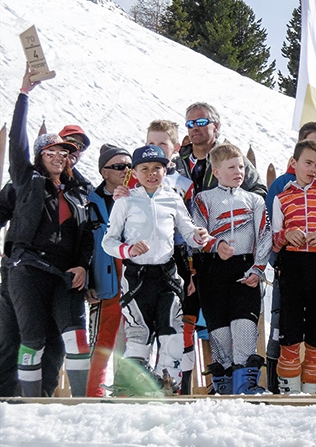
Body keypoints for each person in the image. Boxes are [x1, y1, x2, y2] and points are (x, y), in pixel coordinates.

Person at [6, 66, 93, 397]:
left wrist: (84, 264)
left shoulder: (77, 191)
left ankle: (83, 402)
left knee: (75, 333)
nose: (58, 156)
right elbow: (16, 142)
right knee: (33, 338)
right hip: (28, 268)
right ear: (40, 156)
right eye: (50, 151)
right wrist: (24, 93)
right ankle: (31, 408)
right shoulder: (28, 182)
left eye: (64, 152)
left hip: (66, 273)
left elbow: (87, 235)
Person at [102, 145, 210, 395]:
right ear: (135, 173)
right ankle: (128, 385)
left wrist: (200, 235)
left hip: (167, 275)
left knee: (171, 328)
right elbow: (108, 242)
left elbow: (189, 231)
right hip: (136, 277)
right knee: (138, 330)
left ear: (165, 170)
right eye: (145, 169)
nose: (152, 174)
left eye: (157, 168)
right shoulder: (125, 201)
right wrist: (128, 250)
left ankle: (168, 383)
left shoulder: (172, 198)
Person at [264, 121, 316, 394]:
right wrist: (287, 235)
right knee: (290, 326)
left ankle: (313, 384)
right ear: (294, 163)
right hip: (293, 266)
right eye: (307, 163)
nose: (312, 170)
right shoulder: (282, 197)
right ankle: (288, 384)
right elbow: (273, 237)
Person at [192, 143, 271, 395]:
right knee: (219, 330)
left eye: (241, 167)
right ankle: (223, 385)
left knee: (244, 325)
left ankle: (245, 385)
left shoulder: (255, 200)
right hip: (213, 271)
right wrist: (215, 244)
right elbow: (196, 232)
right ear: (216, 171)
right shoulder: (203, 199)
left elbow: (264, 234)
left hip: (245, 269)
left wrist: (258, 269)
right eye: (231, 167)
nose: (238, 172)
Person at [0, 181, 66, 397]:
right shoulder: (26, 182)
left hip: (58, 275)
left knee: (53, 344)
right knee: (11, 336)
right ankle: (5, 398)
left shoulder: (79, 187)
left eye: (74, 150)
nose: (68, 156)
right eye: (54, 150)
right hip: (19, 272)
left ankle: (42, 401)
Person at [146, 120, 197, 395]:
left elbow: (189, 228)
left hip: (174, 259)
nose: (155, 149)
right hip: (141, 261)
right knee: (144, 327)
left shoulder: (184, 184)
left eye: (162, 144)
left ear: (175, 148)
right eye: (151, 144)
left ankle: (176, 385)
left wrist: (190, 272)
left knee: (175, 324)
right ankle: (144, 382)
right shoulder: (135, 177)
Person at [85, 144, 132, 397]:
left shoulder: (138, 196)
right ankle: (93, 394)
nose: (126, 170)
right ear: (104, 171)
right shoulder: (90, 201)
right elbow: (84, 244)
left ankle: (124, 392)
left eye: (128, 165)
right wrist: (90, 281)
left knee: (132, 338)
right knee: (103, 339)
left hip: (134, 276)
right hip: (106, 278)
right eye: (118, 166)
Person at [174, 102, 266, 199]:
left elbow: (259, 192)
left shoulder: (231, 158)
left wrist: (234, 206)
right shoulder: (177, 164)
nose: (195, 127)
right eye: (190, 124)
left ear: (216, 126)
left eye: (201, 122)